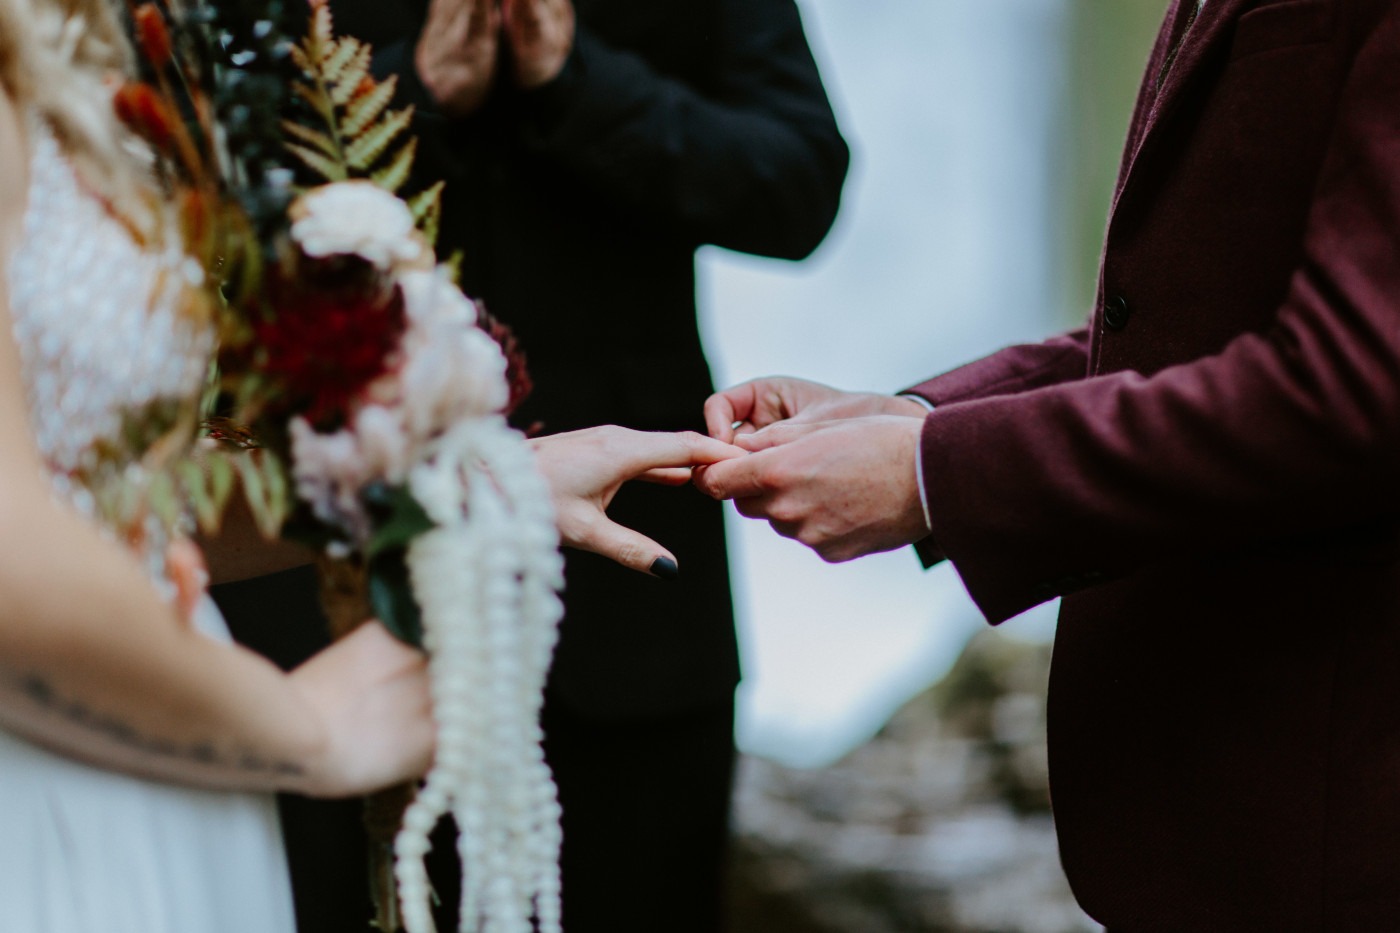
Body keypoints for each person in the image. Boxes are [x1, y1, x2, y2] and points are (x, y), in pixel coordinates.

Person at [0, 3, 741, 930]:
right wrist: (298, 723)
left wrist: (483, 480)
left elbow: (108, 500)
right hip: (76, 757)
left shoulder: (68, 48)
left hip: (158, 763)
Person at [696, 0, 1400, 929]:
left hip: (1339, 820)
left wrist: (933, 476)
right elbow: (1196, 317)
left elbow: (1352, 385)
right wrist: (917, 417)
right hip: (1208, 806)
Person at [214, 0, 849, 929]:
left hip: (628, 606)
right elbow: (163, 179)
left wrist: (579, 83)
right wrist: (412, 90)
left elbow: (798, 184)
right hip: (307, 591)